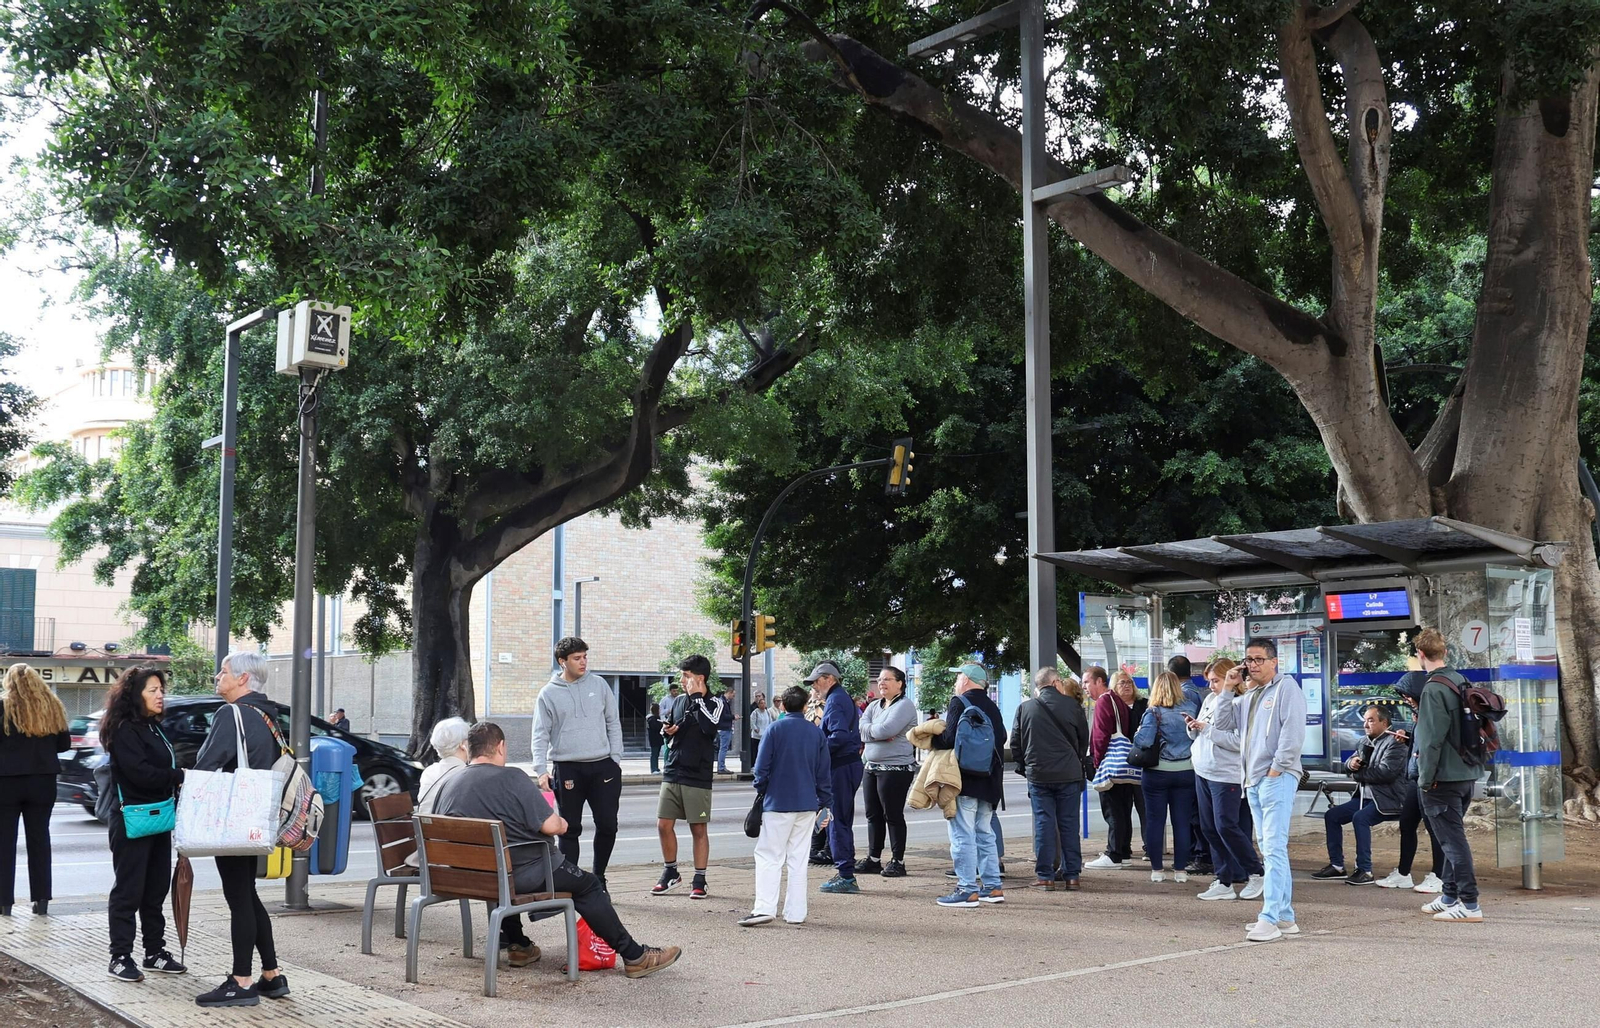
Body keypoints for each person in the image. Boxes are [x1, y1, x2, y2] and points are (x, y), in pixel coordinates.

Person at [437, 721, 681, 977]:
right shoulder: (512, 778)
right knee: (588, 885)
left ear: (469, 748)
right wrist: (562, 822)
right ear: (500, 747)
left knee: (502, 868)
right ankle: (635, 955)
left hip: (471, 878)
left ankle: (519, 945)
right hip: (523, 874)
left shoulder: (450, 784)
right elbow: (553, 826)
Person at [191, 651, 288, 1007]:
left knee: (238, 897)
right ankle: (272, 976)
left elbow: (207, 764)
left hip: (233, 817)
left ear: (243, 679)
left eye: (224, 672)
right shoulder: (268, 716)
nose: (218, 677)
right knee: (247, 893)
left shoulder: (231, 714)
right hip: (258, 815)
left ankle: (241, 980)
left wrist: (186, 791)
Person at [1212, 638, 1307, 943]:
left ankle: (1269, 917)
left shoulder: (1286, 688)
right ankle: (1285, 917)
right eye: (1249, 660)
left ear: (1273, 661)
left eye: (1258, 659)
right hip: (1254, 780)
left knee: (1275, 848)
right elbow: (1224, 723)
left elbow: (1293, 732)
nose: (1252, 665)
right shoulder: (1249, 695)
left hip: (1275, 777)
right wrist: (1228, 687)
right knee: (1269, 847)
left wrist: (1277, 767)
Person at [101, 666, 188, 982]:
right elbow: (140, 773)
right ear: (134, 695)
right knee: (128, 890)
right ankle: (119, 956)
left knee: (155, 890)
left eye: (161, 690)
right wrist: (179, 777)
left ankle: (154, 952)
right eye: (152, 690)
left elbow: (159, 770)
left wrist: (176, 778)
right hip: (131, 820)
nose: (160, 695)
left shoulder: (153, 728)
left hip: (158, 818)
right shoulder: (125, 730)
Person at [530, 636, 623, 889]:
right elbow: (540, 733)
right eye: (576, 658)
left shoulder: (599, 685)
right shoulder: (548, 693)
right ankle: (571, 883)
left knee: (608, 825)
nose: (583, 662)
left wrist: (615, 758)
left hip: (603, 766)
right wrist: (540, 770)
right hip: (567, 767)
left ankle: (599, 877)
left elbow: (613, 722)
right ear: (563, 662)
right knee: (569, 829)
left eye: (585, 657)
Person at [740, 687, 833, 927]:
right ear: (805, 707)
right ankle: (796, 912)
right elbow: (824, 774)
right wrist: (825, 802)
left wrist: (761, 788)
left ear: (782, 706)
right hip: (807, 804)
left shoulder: (774, 729)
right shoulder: (816, 733)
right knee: (798, 858)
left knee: (769, 855)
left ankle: (764, 907)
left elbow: (761, 769)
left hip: (778, 802)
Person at [1412, 627, 1484, 922]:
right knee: (1452, 838)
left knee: (1453, 842)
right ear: (1445, 652)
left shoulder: (1432, 688)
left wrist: (1424, 779)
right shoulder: (1459, 680)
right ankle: (1450, 895)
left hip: (1442, 777)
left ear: (1420, 654)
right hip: (1466, 772)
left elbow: (1430, 740)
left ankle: (1470, 904)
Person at [1186, 658, 1263, 902]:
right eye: (1209, 681)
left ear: (1231, 678)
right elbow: (1204, 727)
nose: (1211, 686)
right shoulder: (1210, 699)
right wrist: (1193, 727)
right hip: (1203, 769)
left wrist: (1206, 729)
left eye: (1215, 681)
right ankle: (1223, 879)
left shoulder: (1241, 703)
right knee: (1208, 827)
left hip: (1226, 774)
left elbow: (1237, 742)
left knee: (1226, 825)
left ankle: (1255, 871)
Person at [931, 663, 1007, 907]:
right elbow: (1001, 737)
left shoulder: (960, 702)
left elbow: (950, 738)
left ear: (966, 679)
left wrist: (931, 737)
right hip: (990, 779)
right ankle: (993, 887)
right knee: (985, 833)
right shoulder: (992, 705)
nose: (957, 681)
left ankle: (967, 889)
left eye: (959, 676)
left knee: (962, 833)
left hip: (964, 778)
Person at [0, 664, 71, 918]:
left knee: (4, 843)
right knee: (39, 840)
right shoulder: (52, 706)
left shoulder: (3, 706)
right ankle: (41, 901)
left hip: (6, 782)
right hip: (43, 783)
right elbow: (64, 745)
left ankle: (4, 903)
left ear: (9, 682)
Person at [1010, 667, 1089, 891]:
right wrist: (1076, 759)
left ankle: (1045, 876)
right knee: (1069, 824)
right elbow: (1084, 739)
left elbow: (1016, 742)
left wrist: (1026, 766)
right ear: (1055, 682)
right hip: (1069, 774)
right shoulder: (1073, 706)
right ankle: (1072, 875)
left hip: (1039, 775)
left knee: (1044, 823)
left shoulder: (1025, 708)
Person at [1311, 705, 1408, 886]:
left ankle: (1365, 870)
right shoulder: (1364, 741)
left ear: (1384, 723)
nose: (1365, 725)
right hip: (1365, 797)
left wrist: (1356, 774)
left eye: (1370, 720)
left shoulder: (1396, 742)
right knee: (1332, 815)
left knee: (1360, 818)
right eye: (1365, 720)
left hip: (1388, 799)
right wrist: (1351, 764)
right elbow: (1350, 763)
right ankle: (1337, 866)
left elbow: (1385, 773)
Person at [654, 655, 722, 899]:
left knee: (698, 828)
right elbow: (670, 732)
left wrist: (697, 699)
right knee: (663, 825)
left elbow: (710, 727)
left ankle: (700, 879)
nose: (682, 680)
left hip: (698, 774)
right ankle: (670, 871)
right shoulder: (679, 701)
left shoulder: (715, 702)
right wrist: (667, 730)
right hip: (673, 770)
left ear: (699, 678)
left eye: (686, 676)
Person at [1381, 671, 1445, 893]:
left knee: (1434, 827)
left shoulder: (1432, 712)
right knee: (1407, 822)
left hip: (1428, 777)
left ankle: (1440, 875)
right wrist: (1407, 736)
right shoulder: (1419, 714)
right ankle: (1403, 872)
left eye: (1408, 695)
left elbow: (1434, 744)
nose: (1406, 700)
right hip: (1414, 776)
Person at [1133, 671, 1197, 884]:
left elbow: (1143, 742)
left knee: (1155, 821)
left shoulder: (1153, 712)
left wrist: (1138, 732)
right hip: (1186, 771)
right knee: (1182, 822)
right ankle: (1180, 870)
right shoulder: (1191, 709)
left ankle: (1157, 870)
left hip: (1157, 773)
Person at [856, 667, 918, 878]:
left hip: (896, 769)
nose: (881, 683)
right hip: (871, 767)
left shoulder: (905, 706)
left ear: (900, 683)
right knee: (873, 815)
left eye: (887, 679)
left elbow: (886, 730)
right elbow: (862, 726)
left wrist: (874, 732)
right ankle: (874, 859)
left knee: (892, 815)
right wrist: (876, 733)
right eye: (879, 679)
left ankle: (898, 861)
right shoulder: (874, 705)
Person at [811, 662, 865, 894]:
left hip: (841, 767)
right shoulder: (840, 698)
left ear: (829, 679)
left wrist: (818, 753)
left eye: (816, 680)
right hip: (848, 765)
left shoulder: (835, 700)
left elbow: (839, 736)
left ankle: (846, 875)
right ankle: (845, 871)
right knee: (839, 819)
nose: (814, 685)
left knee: (837, 819)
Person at [1085, 666, 1139, 870]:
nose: (1085, 687)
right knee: (1123, 808)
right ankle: (1123, 851)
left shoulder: (1104, 701)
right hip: (1123, 765)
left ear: (1099, 681)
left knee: (1112, 809)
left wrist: (1098, 764)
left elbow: (1100, 736)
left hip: (1111, 764)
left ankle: (1114, 853)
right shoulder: (1119, 702)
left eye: (1087, 682)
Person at [1167, 655, 1210, 875]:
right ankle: (1202, 854)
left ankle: (1200, 855)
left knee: (1194, 813)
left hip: (1187, 758)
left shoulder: (1184, 697)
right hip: (1198, 758)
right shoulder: (1201, 693)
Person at [716, 683, 738, 774]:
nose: (733, 697)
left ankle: (721, 766)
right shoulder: (722, 702)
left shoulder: (723, 701)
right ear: (729, 692)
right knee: (723, 748)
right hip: (724, 728)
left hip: (724, 728)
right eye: (733, 694)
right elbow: (723, 716)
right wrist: (733, 717)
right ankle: (721, 767)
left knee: (723, 748)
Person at [647, 702, 665, 775]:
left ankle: (656, 768)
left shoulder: (654, 718)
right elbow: (656, 727)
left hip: (656, 738)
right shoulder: (652, 719)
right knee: (654, 754)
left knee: (656, 754)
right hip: (655, 739)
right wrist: (662, 724)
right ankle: (654, 768)